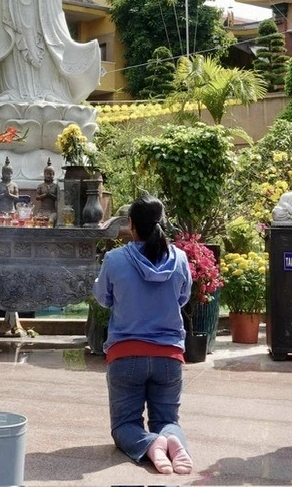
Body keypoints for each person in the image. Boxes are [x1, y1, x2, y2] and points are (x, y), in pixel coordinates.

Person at [92, 193, 195, 476]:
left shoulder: (115, 259)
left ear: (131, 226)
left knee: (125, 425)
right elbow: (183, 298)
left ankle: (151, 446)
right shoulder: (180, 259)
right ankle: (171, 439)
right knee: (167, 420)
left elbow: (103, 298)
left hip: (126, 355)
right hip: (169, 357)